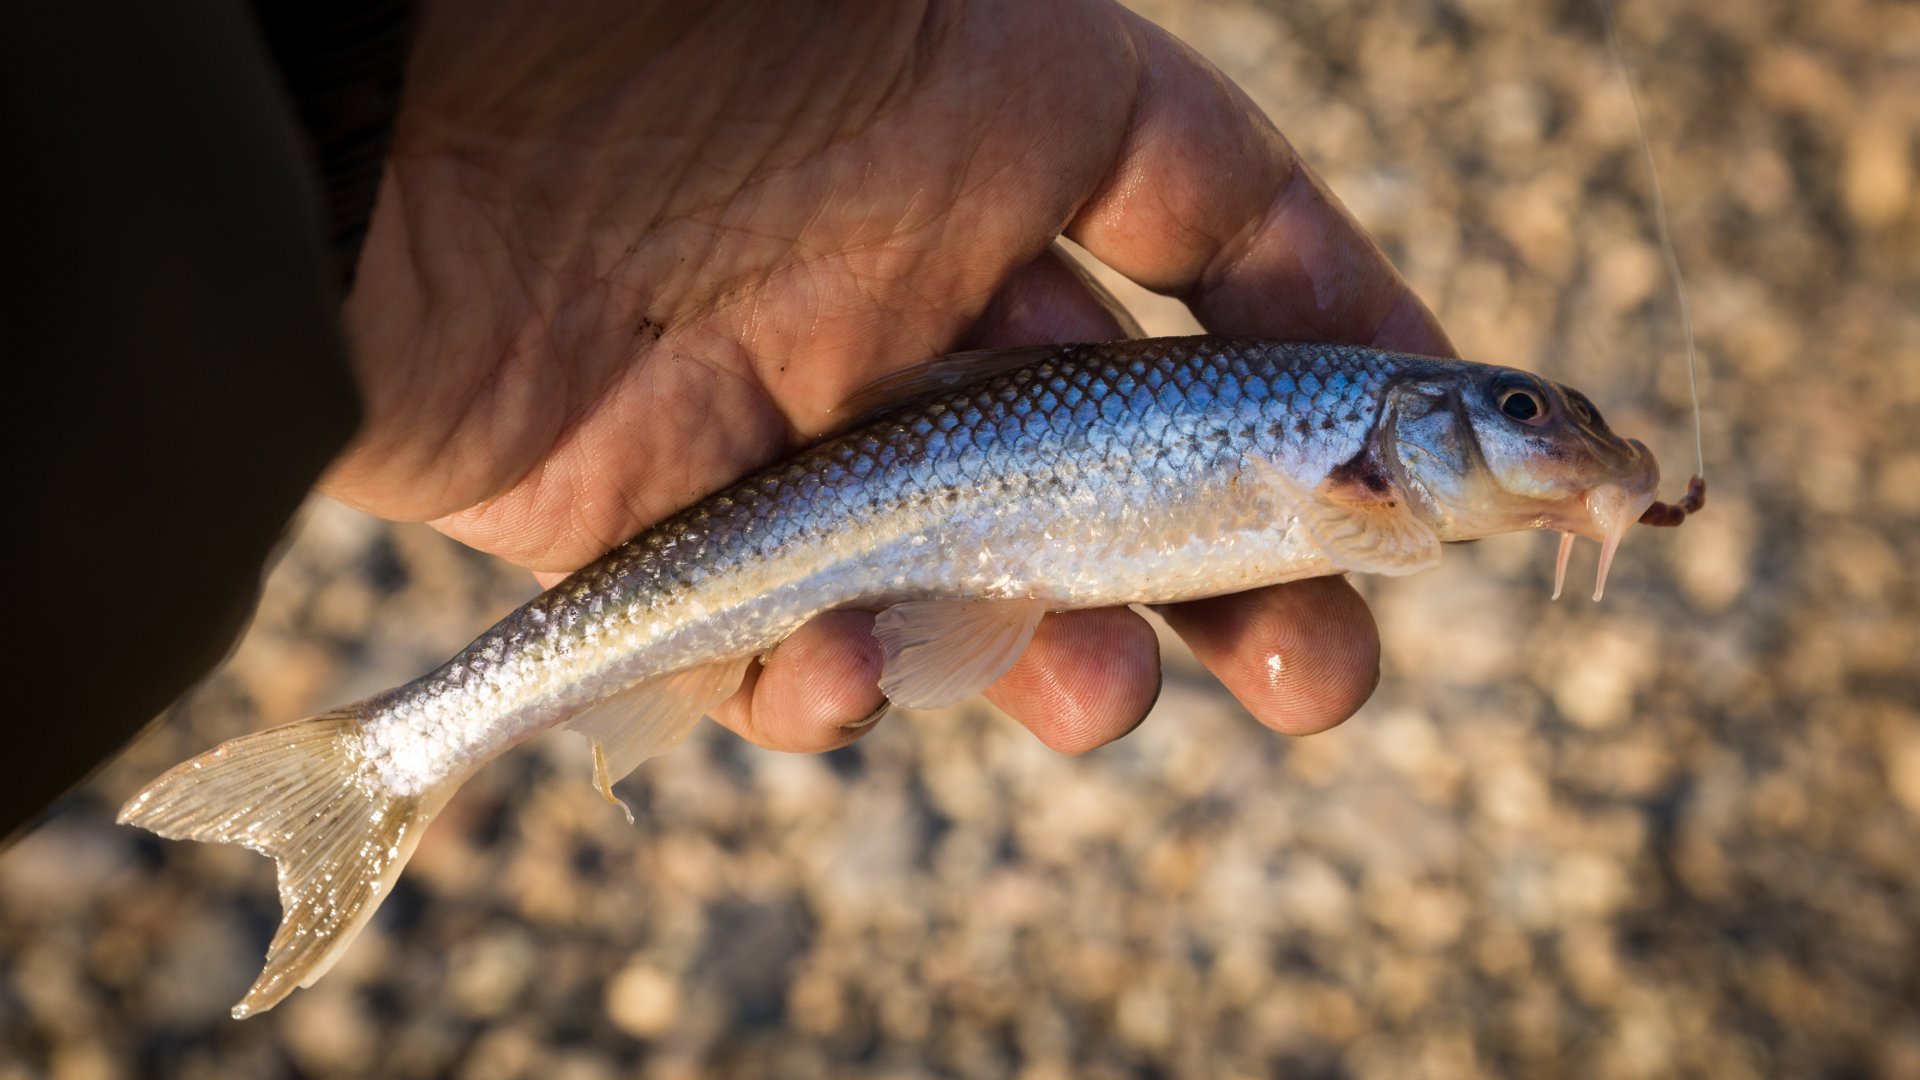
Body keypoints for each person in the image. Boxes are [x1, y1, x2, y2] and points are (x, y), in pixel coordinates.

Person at [5, 0, 1453, 837]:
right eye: (1518, 413)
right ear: (1408, 437)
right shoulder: (1360, 441)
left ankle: (389, 760)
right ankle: (381, 763)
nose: (1559, 442)